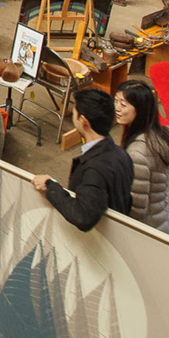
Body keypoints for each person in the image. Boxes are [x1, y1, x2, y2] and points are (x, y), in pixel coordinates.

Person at [32, 88, 134, 232]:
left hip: (98, 240)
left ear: (84, 121)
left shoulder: (95, 169)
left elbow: (83, 216)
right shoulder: (122, 154)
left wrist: (51, 187)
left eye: (74, 114)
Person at [114, 81, 169, 235]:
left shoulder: (137, 154)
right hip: (161, 220)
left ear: (140, 109)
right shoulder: (162, 135)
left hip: (146, 231)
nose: (117, 108)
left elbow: (137, 208)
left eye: (123, 104)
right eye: (116, 101)